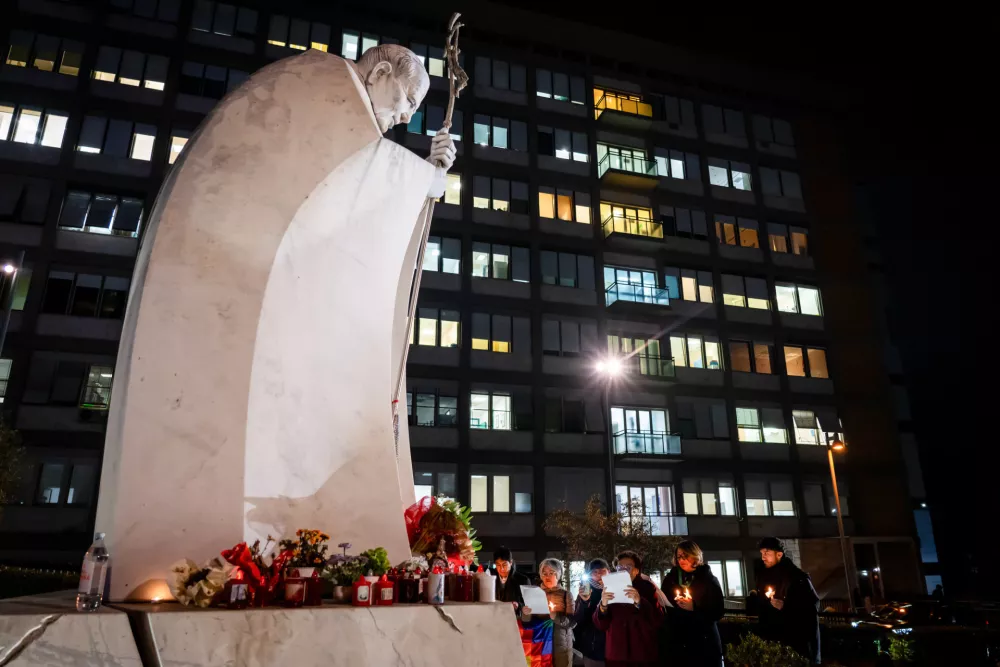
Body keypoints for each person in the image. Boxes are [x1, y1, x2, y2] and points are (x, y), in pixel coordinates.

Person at [751, 537, 820, 664]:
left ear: (779, 554)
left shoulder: (797, 577)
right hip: (772, 641)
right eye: (762, 553)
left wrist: (786, 606)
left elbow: (812, 606)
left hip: (794, 643)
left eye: (767, 553)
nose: (763, 557)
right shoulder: (763, 576)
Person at [658, 541, 725, 667]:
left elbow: (718, 611)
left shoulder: (708, 580)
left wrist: (694, 607)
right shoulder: (671, 579)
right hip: (677, 640)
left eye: (685, 555)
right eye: (679, 556)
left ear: (695, 555)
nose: (681, 559)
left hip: (703, 642)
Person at [593, 550, 661, 666]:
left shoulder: (647, 588)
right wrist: (603, 605)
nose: (623, 570)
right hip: (616, 653)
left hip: (641, 653)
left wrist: (640, 602)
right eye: (620, 567)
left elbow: (657, 619)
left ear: (636, 571)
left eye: (628, 567)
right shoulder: (609, 587)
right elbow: (601, 625)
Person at [520, 559, 576, 667]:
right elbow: (527, 623)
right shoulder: (534, 594)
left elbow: (572, 622)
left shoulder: (566, 595)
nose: (547, 576)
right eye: (544, 573)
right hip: (541, 643)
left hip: (561, 646)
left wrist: (556, 617)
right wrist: (526, 613)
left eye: (551, 573)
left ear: (558, 574)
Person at [573, 558, 610, 667]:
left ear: (608, 571)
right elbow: (578, 619)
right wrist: (584, 602)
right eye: (595, 572)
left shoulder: (617, 588)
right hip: (593, 646)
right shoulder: (586, 590)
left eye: (602, 571)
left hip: (615, 644)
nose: (599, 575)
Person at [493, 546, 531, 610]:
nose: (501, 568)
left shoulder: (523, 580)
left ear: (511, 562)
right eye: (498, 565)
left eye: (504, 565)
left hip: (514, 617)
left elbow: (529, 604)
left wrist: (518, 605)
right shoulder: (491, 578)